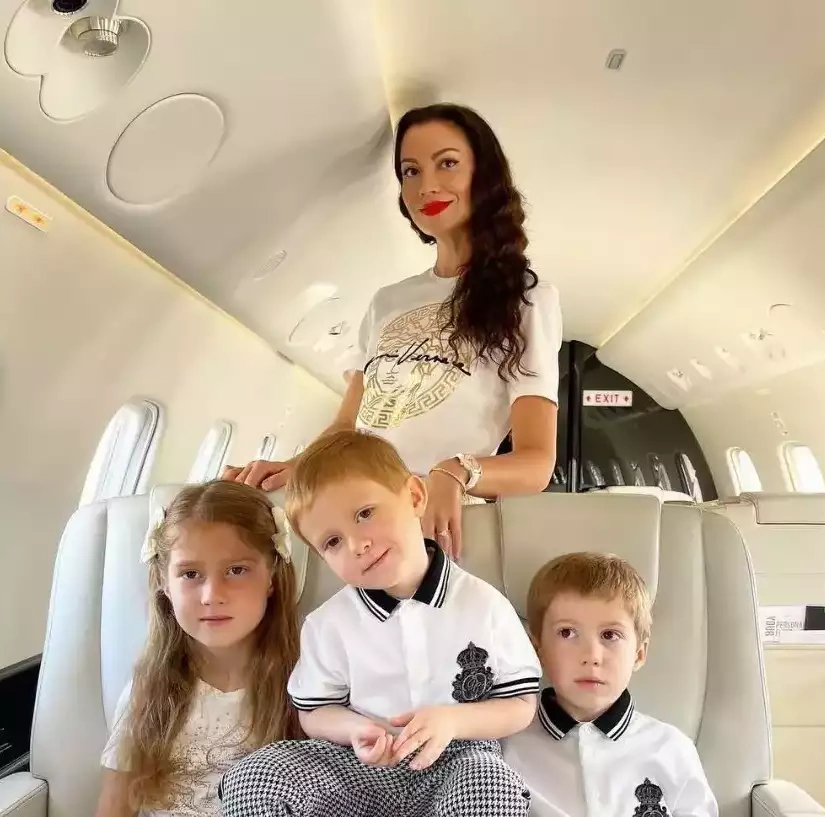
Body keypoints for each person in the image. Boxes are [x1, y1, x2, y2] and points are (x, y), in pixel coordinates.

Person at [223, 103, 563, 557]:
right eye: (410, 171)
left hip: (439, 524)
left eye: (447, 163)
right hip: (356, 515)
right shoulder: (388, 301)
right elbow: (348, 425)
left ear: (484, 176)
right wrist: (296, 466)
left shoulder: (526, 298)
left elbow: (537, 464)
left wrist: (457, 470)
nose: (427, 186)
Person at [219, 429, 540, 817]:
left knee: (493, 785)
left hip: (457, 761)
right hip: (361, 768)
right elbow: (314, 712)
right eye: (333, 542)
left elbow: (521, 704)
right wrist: (355, 730)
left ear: (415, 496)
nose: (357, 545)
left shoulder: (483, 606)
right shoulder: (328, 624)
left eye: (365, 514)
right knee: (255, 777)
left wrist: (453, 721)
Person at [94, 481, 301, 817]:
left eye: (236, 570)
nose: (211, 595)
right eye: (190, 574)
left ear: (272, 577)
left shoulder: (305, 686)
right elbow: (114, 806)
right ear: (165, 583)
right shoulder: (147, 691)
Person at [502, 552, 718, 817]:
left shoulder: (672, 750)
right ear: (538, 650)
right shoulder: (506, 746)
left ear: (639, 654)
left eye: (610, 635)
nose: (592, 656)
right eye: (567, 633)